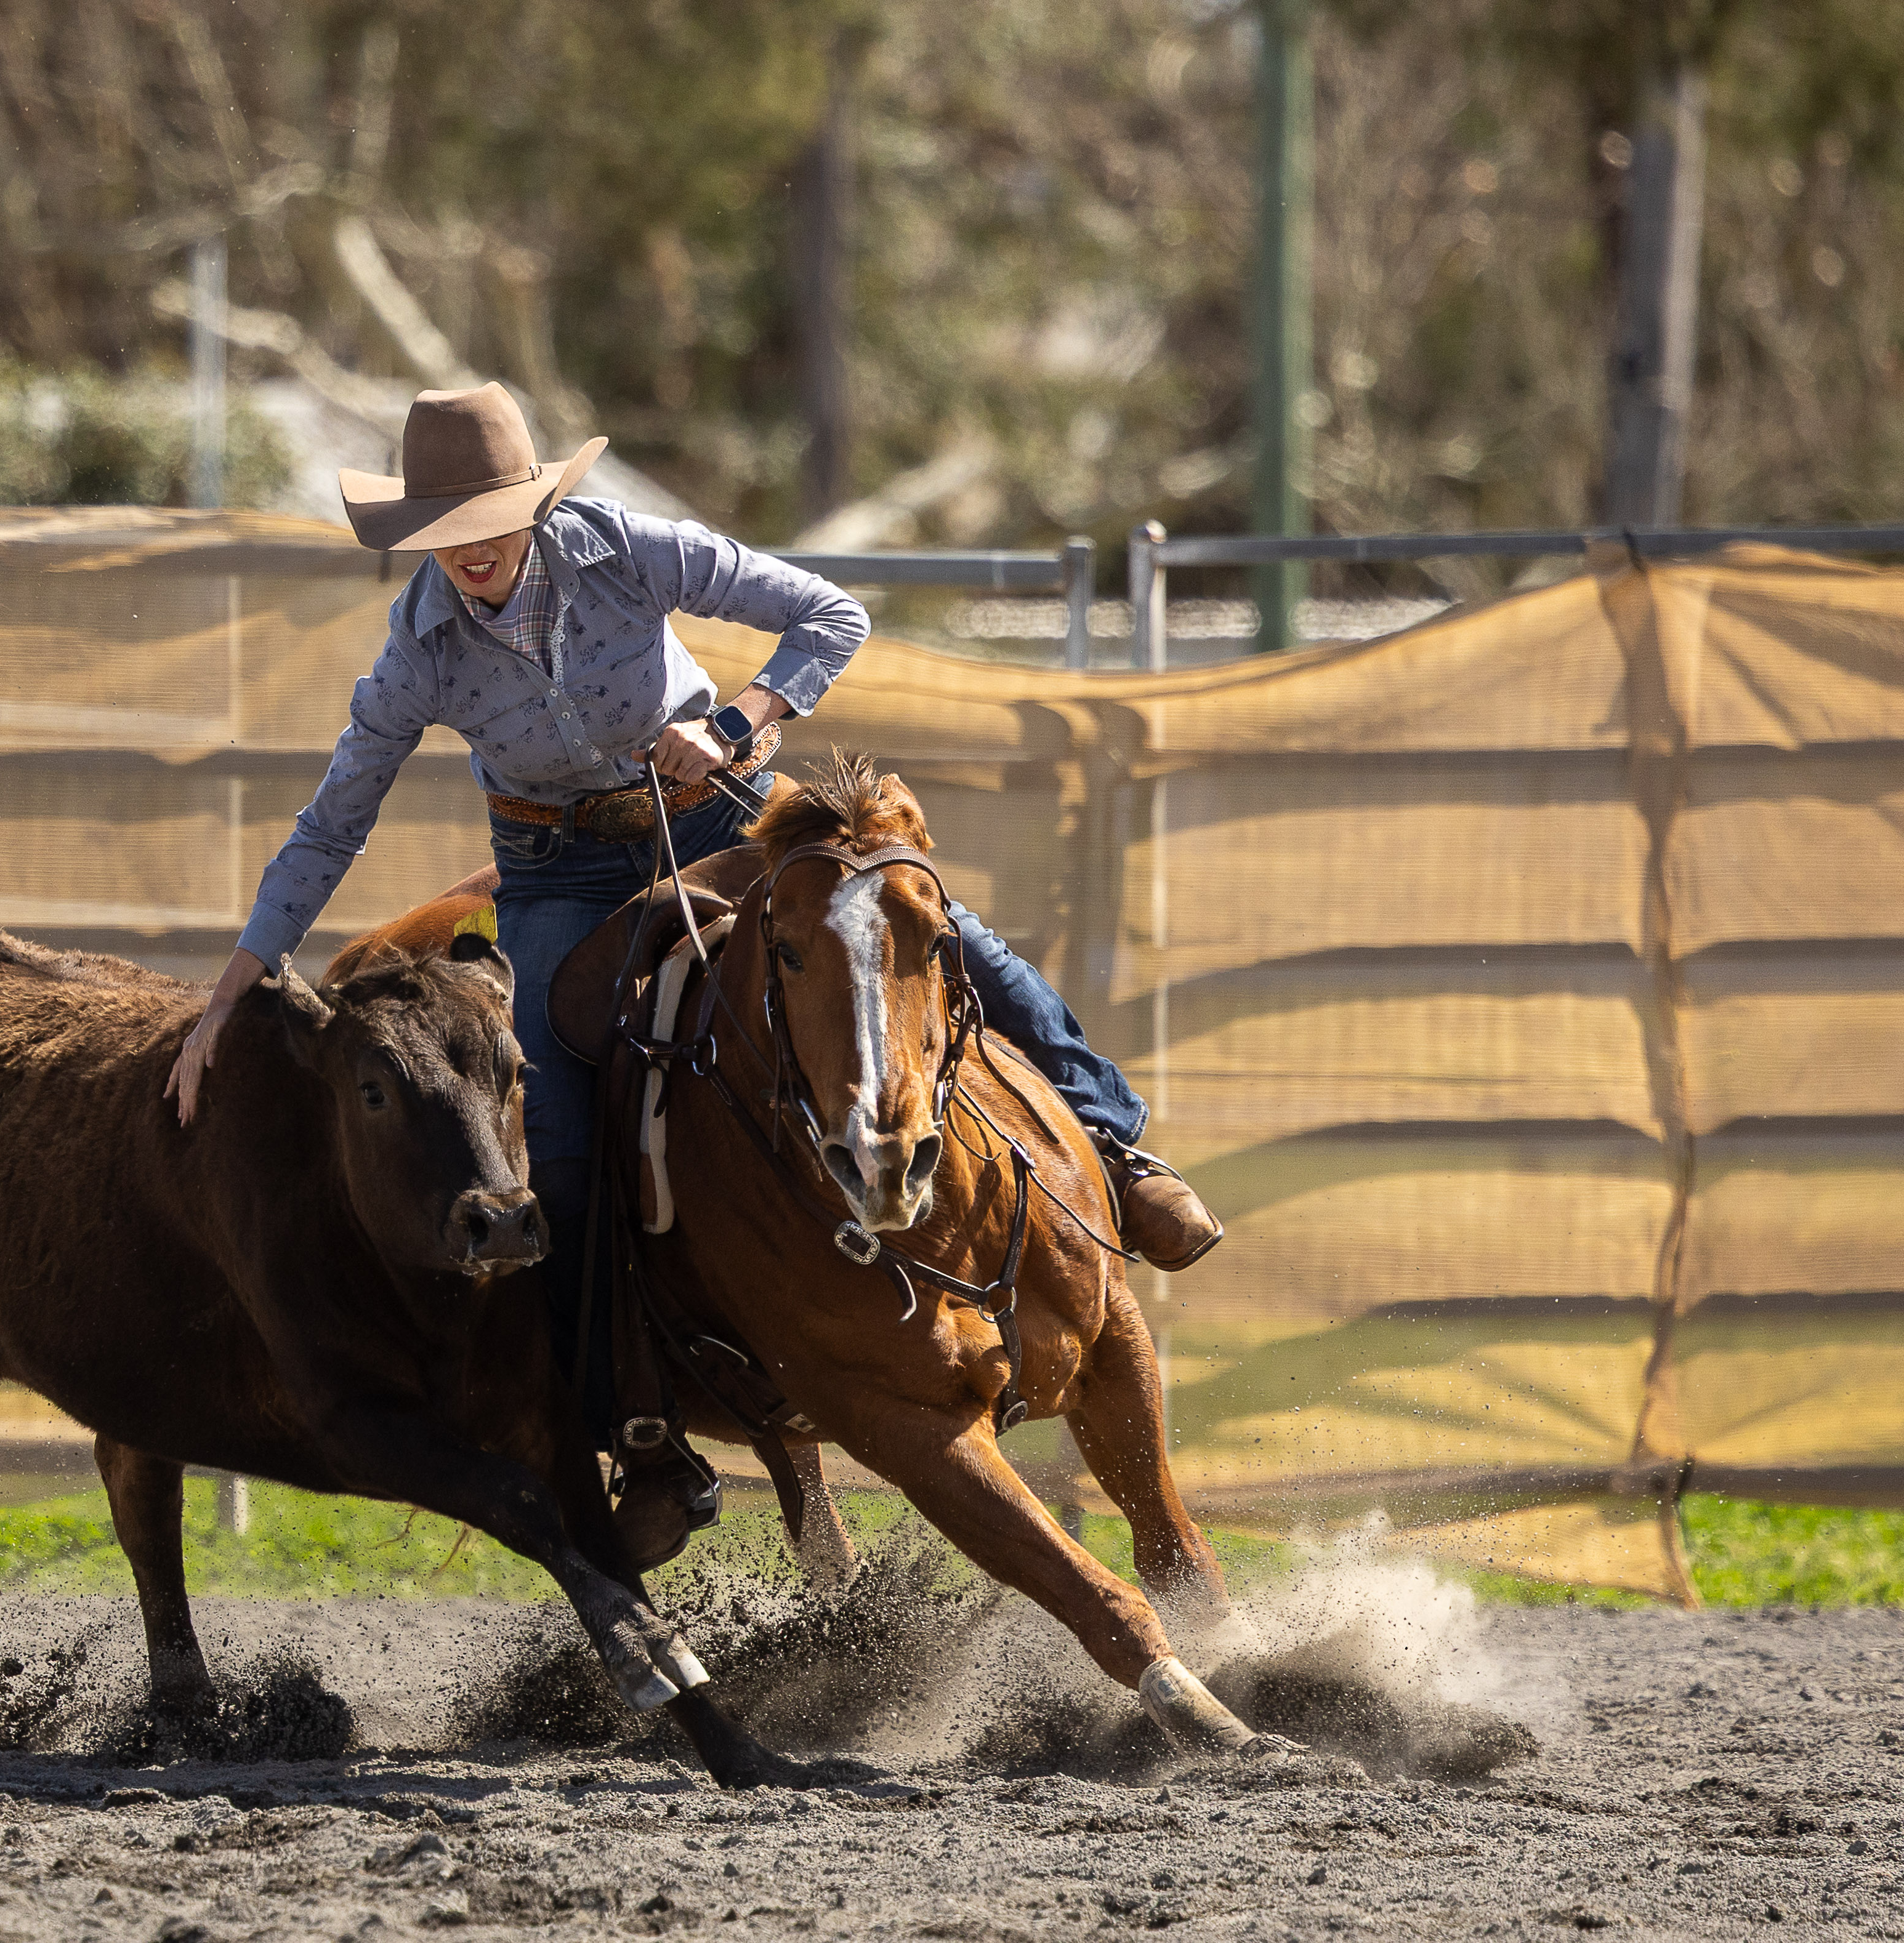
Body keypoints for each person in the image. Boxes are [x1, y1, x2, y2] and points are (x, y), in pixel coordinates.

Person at [165, 383, 1220, 1557]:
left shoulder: (625, 548)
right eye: (442, 533)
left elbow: (828, 612)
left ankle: (1117, 1155)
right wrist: (233, 992)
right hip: (556, 873)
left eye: (488, 521)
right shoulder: (417, 651)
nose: (468, 553)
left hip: (722, 809)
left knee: (945, 938)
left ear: (536, 504)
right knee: (554, 1120)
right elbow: (330, 824)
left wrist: (740, 722)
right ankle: (636, 1421)